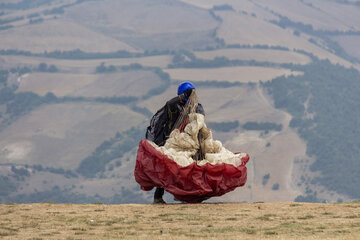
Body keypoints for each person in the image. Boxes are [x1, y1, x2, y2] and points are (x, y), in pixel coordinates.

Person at [145, 81, 205, 204]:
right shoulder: (172, 106)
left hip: (189, 143)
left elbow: (200, 121)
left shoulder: (196, 107)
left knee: (188, 168)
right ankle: (158, 197)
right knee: (167, 169)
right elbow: (159, 122)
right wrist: (156, 142)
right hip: (171, 141)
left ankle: (185, 196)